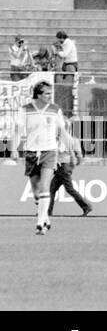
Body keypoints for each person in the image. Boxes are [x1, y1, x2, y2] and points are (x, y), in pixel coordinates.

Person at [13, 79, 76, 235]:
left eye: (50, 93)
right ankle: (45, 217)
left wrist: (72, 151)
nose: (50, 96)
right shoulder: (25, 110)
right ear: (38, 95)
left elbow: (62, 133)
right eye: (47, 93)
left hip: (49, 151)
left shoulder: (55, 110)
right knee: (35, 192)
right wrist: (14, 149)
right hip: (31, 153)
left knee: (44, 186)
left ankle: (40, 223)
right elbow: (18, 131)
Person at [47, 125, 92, 219]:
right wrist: (74, 164)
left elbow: (57, 152)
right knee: (53, 189)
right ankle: (47, 211)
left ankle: (86, 206)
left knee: (68, 189)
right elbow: (79, 155)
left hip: (63, 166)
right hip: (64, 166)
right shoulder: (74, 140)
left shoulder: (62, 140)